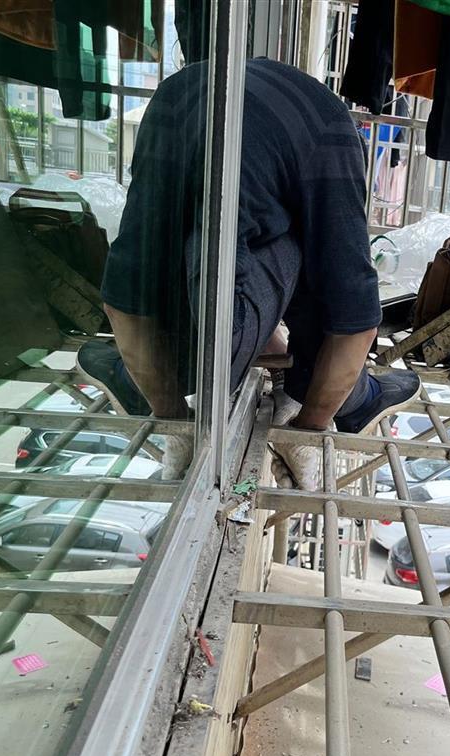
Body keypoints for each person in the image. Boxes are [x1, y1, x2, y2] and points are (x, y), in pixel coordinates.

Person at [77, 58, 420, 483]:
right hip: (224, 348)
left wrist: (174, 421)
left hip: (184, 339)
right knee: (321, 249)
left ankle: (135, 375)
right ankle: (356, 398)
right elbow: (356, 319)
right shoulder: (332, 127)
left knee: (189, 235)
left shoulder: (173, 96)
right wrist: (307, 432)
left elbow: (123, 297)